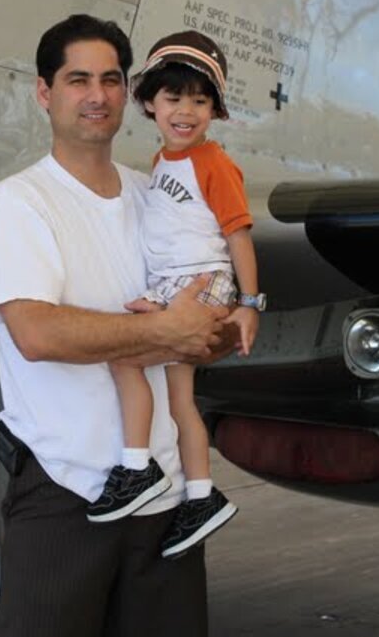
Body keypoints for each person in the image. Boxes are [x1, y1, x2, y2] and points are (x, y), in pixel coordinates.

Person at [0, 14, 229, 637]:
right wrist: (166, 331)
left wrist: (215, 322)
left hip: (166, 500)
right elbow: (38, 334)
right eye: (78, 79)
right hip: (66, 492)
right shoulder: (19, 204)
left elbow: (204, 334)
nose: (97, 96)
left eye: (112, 80)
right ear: (44, 92)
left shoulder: (162, 199)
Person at [87, 31, 263, 559]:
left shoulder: (213, 162)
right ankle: (200, 496)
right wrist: (159, 302)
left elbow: (237, 235)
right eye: (173, 97)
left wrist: (250, 305)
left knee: (122, 359)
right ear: (149, 103)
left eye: (200, 99)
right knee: (182, 400)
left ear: (214, 109)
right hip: (177, 288)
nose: (186, 110)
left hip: (205, 285)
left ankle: (137, 469)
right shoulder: (162, 164)